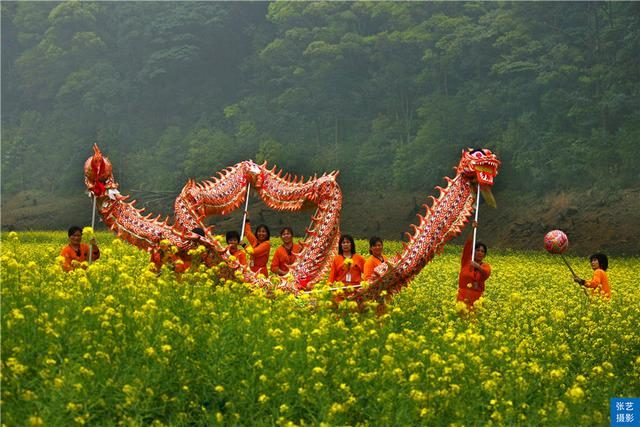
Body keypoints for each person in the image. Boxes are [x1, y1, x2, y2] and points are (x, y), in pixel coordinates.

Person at [456, 231, 491, 309]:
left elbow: (486, 273)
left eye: (482, 251)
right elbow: (467, 246)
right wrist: (473, 230)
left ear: (484, 255)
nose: (480, 253)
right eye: (477, 250)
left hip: (477, 301)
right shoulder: (466, 261)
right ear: (473, 251)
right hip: (462, 298)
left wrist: (478, 267)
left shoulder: (485, 266)